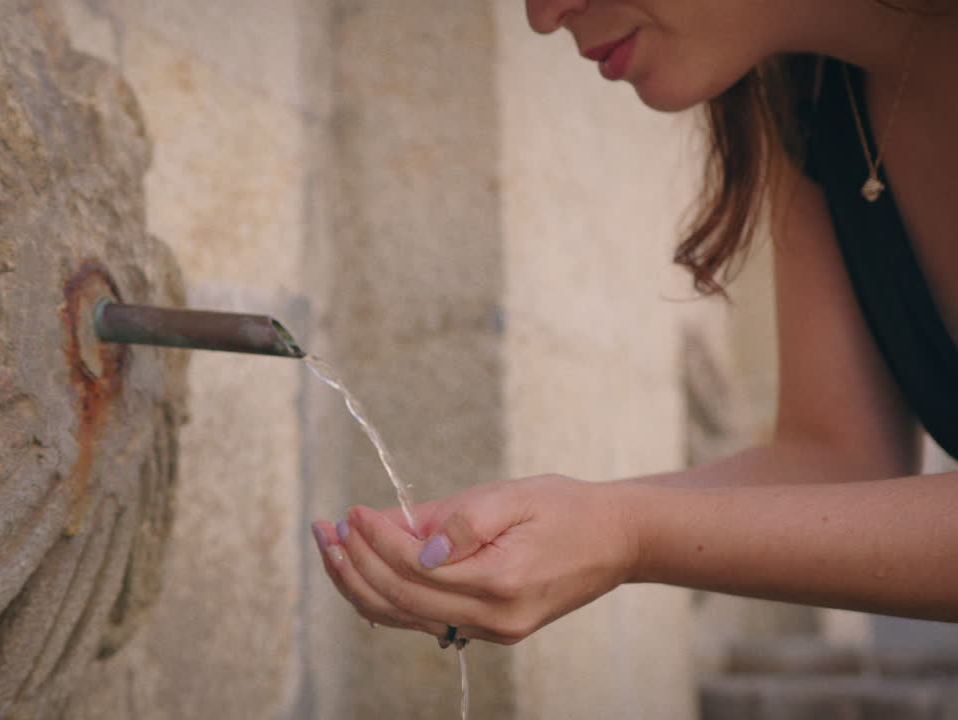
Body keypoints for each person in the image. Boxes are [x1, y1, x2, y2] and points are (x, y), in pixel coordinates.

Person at [311, 0, 958, 647]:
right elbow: (837, 457)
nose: (544, 16)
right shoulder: (818, 97)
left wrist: (629, 533)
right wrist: (552, 521)